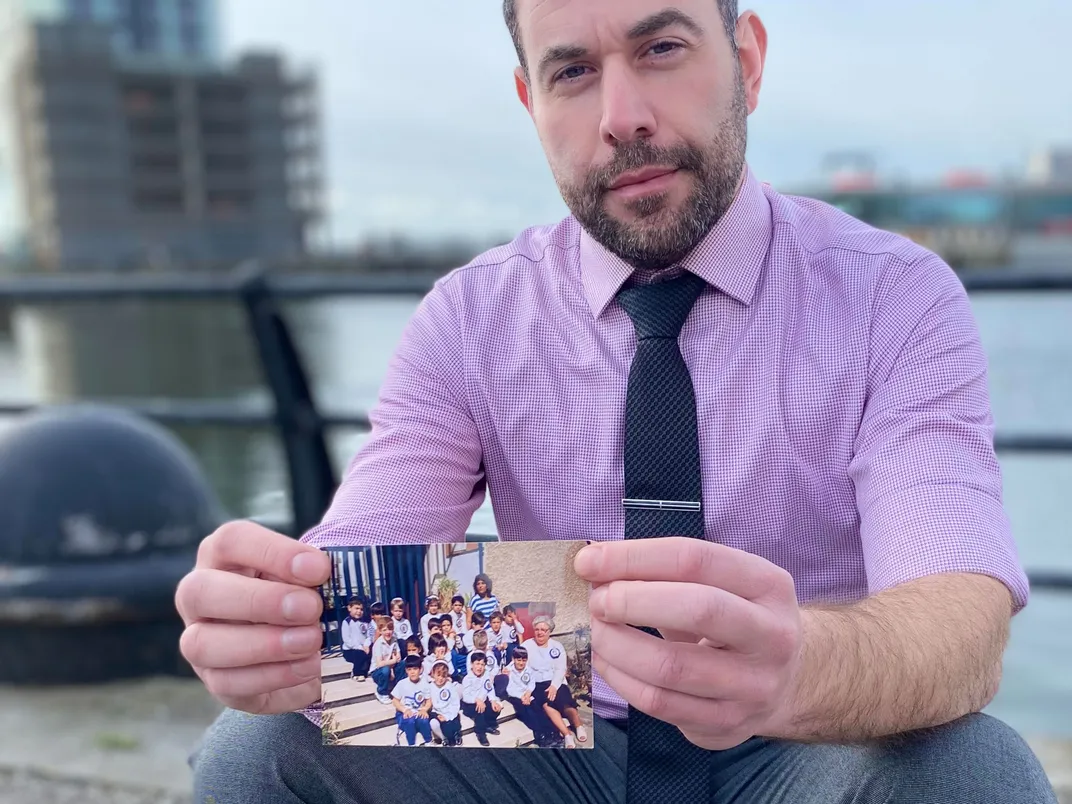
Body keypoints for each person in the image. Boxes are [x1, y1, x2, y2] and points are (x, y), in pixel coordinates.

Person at [179, 1, 1059, 801]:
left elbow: (957, 618)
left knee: (972, 770)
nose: (621, 117)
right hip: (546, 685)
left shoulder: (892, 296)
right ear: (532, 103)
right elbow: (364, 555)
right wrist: (279, 622)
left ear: (746, 59)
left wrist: (801, 667)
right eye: (573, 73)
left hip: (806, 723)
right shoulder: (472, 316)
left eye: (663, 47)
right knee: (260, 749)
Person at [521, 615, 587, 749]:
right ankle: (567, 734)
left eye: (543, 630)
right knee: (547, 705)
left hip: (556, 681)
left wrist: (554, 686)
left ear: (549, 632)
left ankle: (578, 725)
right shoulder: (527, 645)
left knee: (565, 702)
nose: (539, 632)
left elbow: (560, 668)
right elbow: (517, 662)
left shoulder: (556, 646)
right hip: (537, 683)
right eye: (537, 629)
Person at [461, 651, 503, 746]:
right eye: (477, 664)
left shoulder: (486, 675)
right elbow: (466, 696)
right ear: (472, 665)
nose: (479, 667)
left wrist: (493, 700)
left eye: (482, 665)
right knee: (479, 710)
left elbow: (490, 689)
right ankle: (480, 733)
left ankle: (487, 724)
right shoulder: (467, 679)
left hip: (483, 701)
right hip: (470, 704)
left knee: (495, 707)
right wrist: (476, 700)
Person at [391, 655, 434, 746]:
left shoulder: (424, 683)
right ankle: (411, 744)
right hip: (404, 713)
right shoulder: (402, 683)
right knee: (409, 720)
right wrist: (404, 710)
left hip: (418, 712)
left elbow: (429, 700)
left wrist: (424, 709)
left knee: (424, 719)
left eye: (415, 669)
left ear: (420, 669)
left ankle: (429, 741)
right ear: (406, 670)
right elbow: (395, 701)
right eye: (409, 670)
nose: (412, 672)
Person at [427, 660, 465, 746]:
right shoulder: (430, 687)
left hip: (449, 712)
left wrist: (448, 716)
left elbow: (455, 703)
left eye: (443, 676)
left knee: (452, 724)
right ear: (433, 674)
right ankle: (444, 738)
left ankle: (456, 735)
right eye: (438, 675)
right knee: (433, 722)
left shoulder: (449, 686)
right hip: (437, 713)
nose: (440, 678)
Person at [369, 617, 401, 706]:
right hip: (377, 671)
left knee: (402, 664)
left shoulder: (394, 640)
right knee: (385, 669)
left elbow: (398, 657)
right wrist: (393, 661)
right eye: (384, 630)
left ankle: (399, 688)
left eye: (390, 629)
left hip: (390, 666)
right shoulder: (378, 644)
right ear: (380, 631)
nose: (388, 632)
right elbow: (380, 664)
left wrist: (393, 663)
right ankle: (381, 692)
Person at [340, 597, 371, 681]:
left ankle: (366, 671)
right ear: (349, 608)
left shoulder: (365, 622)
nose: (359, 611)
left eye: (361, 609)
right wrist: (360, 647)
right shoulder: (346, 622)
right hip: (350, 650)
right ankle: (356, 673)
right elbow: (347, 640)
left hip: (364, 647)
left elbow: (368, 636)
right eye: (356, 608)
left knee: (370, 653)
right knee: (359, 654)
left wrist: (366, 645)